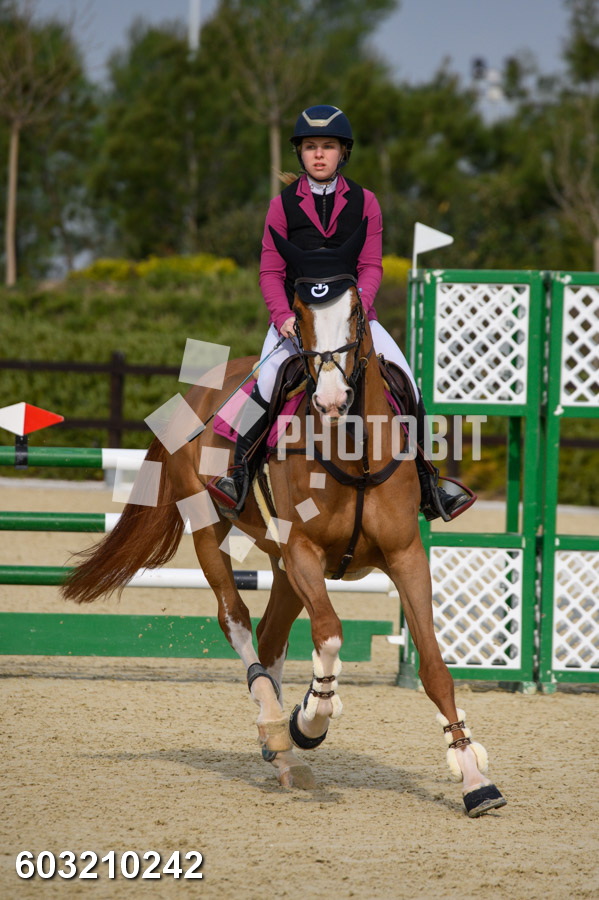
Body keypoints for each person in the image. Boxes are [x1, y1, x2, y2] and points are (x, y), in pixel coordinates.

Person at [208, 104, 470, 521]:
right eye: (310, 146)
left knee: (408, 382)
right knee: (268, 382)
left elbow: (371, 266)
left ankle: (429, 483)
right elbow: (270, 271)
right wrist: (282, 317)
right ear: (300, 152)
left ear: (343, 152)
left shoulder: (366, 202)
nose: (318, 154)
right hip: (298, 322)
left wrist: (356, 309)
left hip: (354, 319)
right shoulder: (282, 206)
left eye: (327, 146)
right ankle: (239, 475)